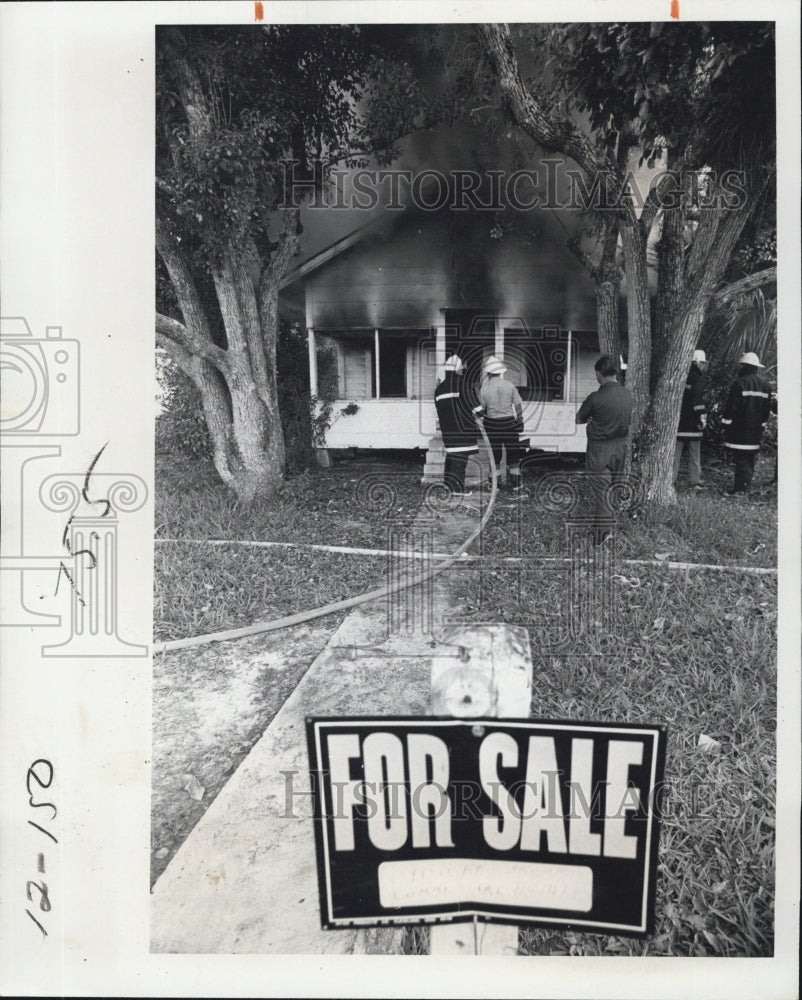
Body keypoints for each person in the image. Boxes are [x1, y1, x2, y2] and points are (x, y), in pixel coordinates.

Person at [576, 354, 634, 544]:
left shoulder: (596, 397)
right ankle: (605, 527)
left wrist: (592, 421)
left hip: (599, 450)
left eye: (596, 374)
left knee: (602, 493)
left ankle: (603, 535)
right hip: (620, 448)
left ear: (600, 373)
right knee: (612, 490)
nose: (596, 378)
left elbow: (579, 418)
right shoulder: (628, 395)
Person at [720, 351, 773, 495]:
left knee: (741, 459)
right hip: (755, 430)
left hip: (739, 430)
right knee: (749, 459)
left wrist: (725, 425)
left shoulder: (739, 383)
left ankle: (740, 490)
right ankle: (745, 487)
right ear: (756, 367)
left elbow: (732, 408)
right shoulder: (766, 386)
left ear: (744, 367)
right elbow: (766, 411)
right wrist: (761, 425)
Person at [433, 355, 481, 498]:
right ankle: (457, 489)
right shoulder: (463, 384)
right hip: (463, 428)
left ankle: (448, 484)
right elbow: (475, 407)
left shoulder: (439, 389)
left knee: (452, 454)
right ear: (458, 370)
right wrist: (481, 415)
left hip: (448, 428)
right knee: (460, 457)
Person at [478, 355, 526, 493]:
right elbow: (517, 404)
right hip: (509, 424)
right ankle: (517, 485)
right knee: (513, 456)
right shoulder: (509, 385)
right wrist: (520, 420)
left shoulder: (484, 388)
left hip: (492, 424)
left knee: (495, 456)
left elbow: (483, 408)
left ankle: (495, 486)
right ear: (500, 372)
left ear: (488, 373)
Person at [674, 349, 709, 490]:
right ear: (697, 362)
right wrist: (703, 419)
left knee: (675, 455)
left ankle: (670, 480)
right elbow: (698, 401)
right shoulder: (698, 378)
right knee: (695, 455)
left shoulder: (681, 375)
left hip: (680, 422)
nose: (703, 366)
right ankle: (694, 481)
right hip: (694, 423)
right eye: (702, 363)